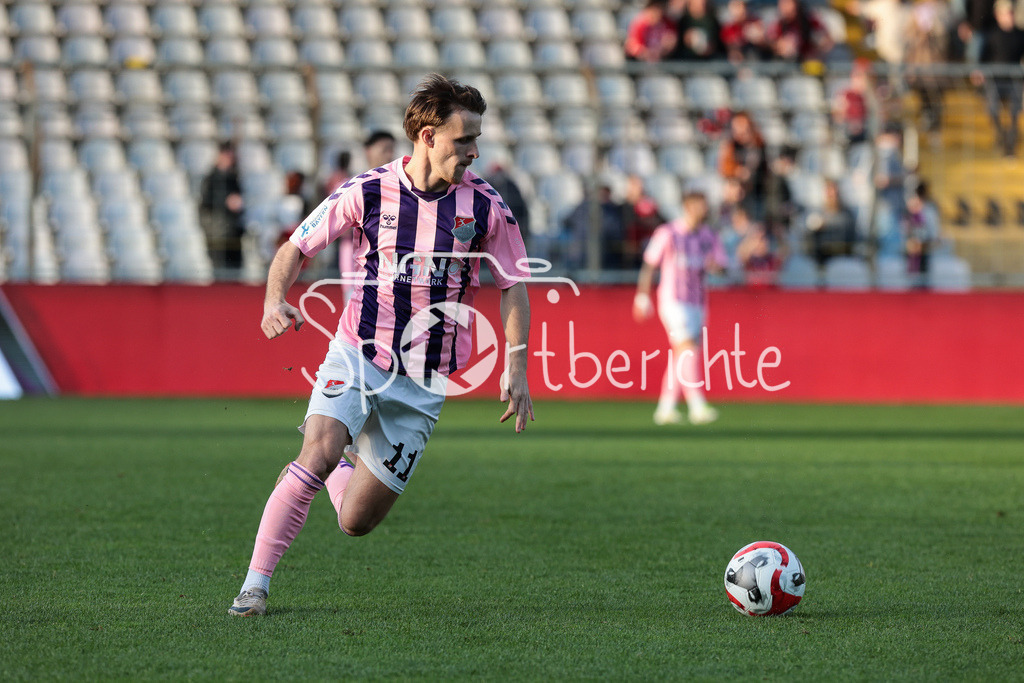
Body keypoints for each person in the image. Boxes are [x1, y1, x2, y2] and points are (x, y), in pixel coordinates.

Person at [227, 74, 533, 617]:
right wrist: (275, 300)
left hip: (423, 382)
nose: (474, 152)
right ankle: (254, 586)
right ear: (429, 136)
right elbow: (294, 248)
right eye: (464, 141)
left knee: (356, 522)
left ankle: (340, 463)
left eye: (476, 140)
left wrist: (516, 367)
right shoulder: (366, 191)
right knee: (315, 454)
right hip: (358, 353)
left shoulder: (486, 207)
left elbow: (513, 286)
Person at [633, 191, 727, 427]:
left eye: (704, 206)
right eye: (697, 205)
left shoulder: (708, 235)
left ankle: (665, 409)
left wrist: (716, 267)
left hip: (698, 302)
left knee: (682, 354)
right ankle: (697, 406)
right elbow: (650, 263)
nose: (701, 210)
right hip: (673, 301)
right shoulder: (668, 233)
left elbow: (723, 266)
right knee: (687, 349)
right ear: (686, 207)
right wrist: (642, 295)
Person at [339, 131, 397, 299]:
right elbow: (340, 230)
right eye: (385, 149)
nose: (390, 154)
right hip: (355, 256)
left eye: (392, 149)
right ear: (368, 151)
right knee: (355, 306)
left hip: (389, 260)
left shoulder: (400, 189)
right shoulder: (353, 187)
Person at [972, 0, 1024, 156]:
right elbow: (982, 58)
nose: (1009, 16)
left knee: (1015, 112)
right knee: (993, 110)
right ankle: (1001, 135)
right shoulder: (991, 34)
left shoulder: (1020, 34)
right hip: (994, 80)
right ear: (998, 15)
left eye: (1011, 12)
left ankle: (1011, 144)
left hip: (1014, 80)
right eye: (1006, 13)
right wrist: (979, 72)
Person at [199, 142, 245, 271]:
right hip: (217, 233)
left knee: (235, 269)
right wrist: (226, 202)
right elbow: (206, 203)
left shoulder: (233, 178)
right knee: (220, 270)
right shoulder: (211, 179)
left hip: (233, 231)